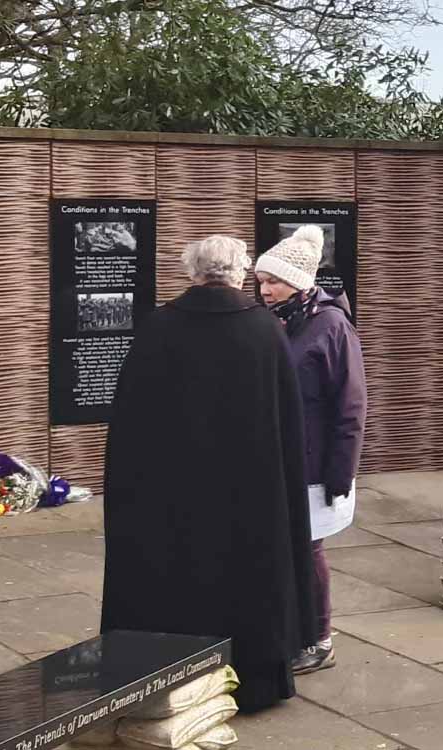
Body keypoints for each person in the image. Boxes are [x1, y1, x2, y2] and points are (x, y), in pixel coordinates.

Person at [100, 234, 317, 712]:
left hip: (171, 497)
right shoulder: (263, 331)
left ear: (193, 273)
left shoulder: (159, 328)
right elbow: (286, 427)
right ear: (238, 272)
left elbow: (131, 424)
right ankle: (254, 680)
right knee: (247, 579)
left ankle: (165, 675)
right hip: (250, 497)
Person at [256, 225, 367, 676]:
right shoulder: (277, 319)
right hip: (276, 460)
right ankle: (288, 631)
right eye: (260, 281)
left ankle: (319, 639)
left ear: (299, 282)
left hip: (314, 465)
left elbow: (351, 404)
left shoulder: (332, 326)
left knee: (308, 550)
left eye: (273, 281)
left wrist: (341, 473)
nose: (264, 290)